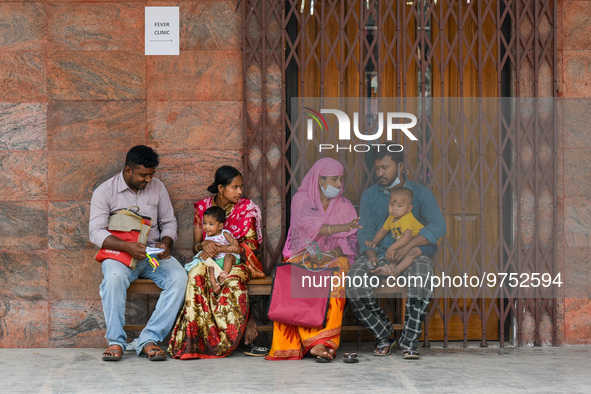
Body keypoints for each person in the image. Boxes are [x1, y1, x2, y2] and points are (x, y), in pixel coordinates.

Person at [89, 145, 188, 362]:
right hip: (119, 254)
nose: (149, 180)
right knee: (113, 279)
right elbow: (95, 232)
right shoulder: (104, 191)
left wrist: (165, 242)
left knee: (180, 278)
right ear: (128, 171)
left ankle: (149, 339)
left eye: (152, 175)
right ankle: (115, 341)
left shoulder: (158, 188)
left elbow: (169, 221)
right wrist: (128, 247)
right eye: (144, 175)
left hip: (153, 254)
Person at [346, 150, 446, 360]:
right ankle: (384, 335)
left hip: (412, 255)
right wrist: (371, 253)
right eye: (377, 168)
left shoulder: (419, 194)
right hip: (379, 253)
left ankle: (409, 342)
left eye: (385, 168)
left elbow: (438, 226)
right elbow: (365, 231)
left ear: (400, 166)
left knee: (423, 280)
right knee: (354, 284)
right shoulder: (370, 195)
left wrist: (408, 248)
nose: (380, 172)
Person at [266, 157, 360, 362]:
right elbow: (314, 228)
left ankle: (323, 342)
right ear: (320, 180)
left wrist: (333, 254)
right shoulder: (302, 200)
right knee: (293, 280)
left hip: (334, 257)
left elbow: (352, 240)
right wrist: (343, 228)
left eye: (340, 179)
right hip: (303, 254)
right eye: (333, 179)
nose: (338, 184)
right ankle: (303, 343)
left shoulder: (344, 205)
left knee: (334, 281)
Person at [167, 166, 264, 359]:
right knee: (195, 275)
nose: (239, 192)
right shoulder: (202, 208)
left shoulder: (246, 209)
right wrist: (205, 244)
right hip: (208, 258)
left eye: (241, 187)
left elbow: (251, 246)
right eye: (235, 187)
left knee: (232, 281)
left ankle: (228, 339)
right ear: (220, 188)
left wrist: (224, 249)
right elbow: (196, 245)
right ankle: (195, 340)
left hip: (237, 260)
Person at [364, 187, 437, 277]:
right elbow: (383, 230)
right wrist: (374, 241)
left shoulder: (406, 218)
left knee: (411, 253)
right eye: (391, 204)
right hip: (410, 244)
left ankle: (397, 271)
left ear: (409, 208)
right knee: (394, 256)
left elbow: (407, 237)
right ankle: (390, 269)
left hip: (425, 245)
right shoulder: (391, 218)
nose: (394, 209)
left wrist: (392, 248)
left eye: (399, 206)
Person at [195, 206, 241, 295]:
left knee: (228, 257)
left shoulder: (224, 234)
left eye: (211, 224)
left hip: (230, 258)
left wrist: (234, 246)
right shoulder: (207, 237)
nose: (207, 227)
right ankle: (215, 286)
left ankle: (223, 276)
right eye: (204, 223)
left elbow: (233, 241)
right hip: (217, 261)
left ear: (220, 226)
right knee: (210, 268)